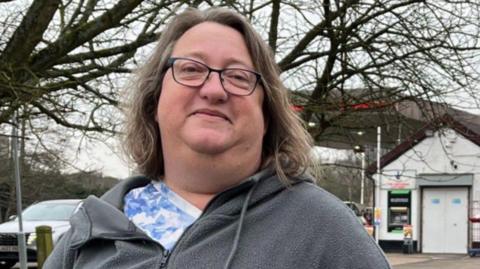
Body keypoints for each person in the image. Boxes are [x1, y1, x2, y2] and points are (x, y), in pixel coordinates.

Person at [44, 7, 391, 269]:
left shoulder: (325, 231)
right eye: (191, 69)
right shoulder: (90, 233)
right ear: (154, 100)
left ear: (267, 113)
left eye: (239, 77)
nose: (214, 89)